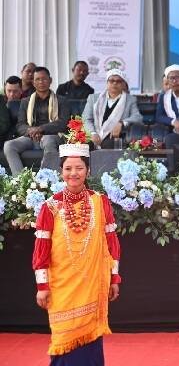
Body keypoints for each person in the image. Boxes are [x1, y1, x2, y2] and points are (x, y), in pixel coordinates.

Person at [32, 129, 121, 363]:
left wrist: (114, 278)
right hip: (62, 287)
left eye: (79, 168)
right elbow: (41, 250)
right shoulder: (50, 207)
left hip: (93, 284)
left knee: (91, 344)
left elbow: (111, 244)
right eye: (68, 168)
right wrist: (42, 286)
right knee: (63, 339)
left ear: (88, 171)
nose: (74, 173)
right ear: (61, 172)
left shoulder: (100, 202)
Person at [3, 67, 70, 175]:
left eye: (44, 79)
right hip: (30, 137)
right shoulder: (25, 101)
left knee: (48, 140)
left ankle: (49, 179)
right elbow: (20, 125)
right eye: (37, 79)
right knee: (9, 145)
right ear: (33, 82)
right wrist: (31, 131)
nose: (41, 82)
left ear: (50, 80)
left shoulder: (61, 100)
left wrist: (40, 129)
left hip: (52, 136)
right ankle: (21, 179)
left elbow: (63, 123)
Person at [82, 69, 143, 149]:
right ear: (107, 83)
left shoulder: (130, 100)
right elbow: (86, 119)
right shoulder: (93, 98)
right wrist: (92, 133)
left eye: (118, 81)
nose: (115, 83)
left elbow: (138, 117)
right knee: (83, 145)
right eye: (111, 81)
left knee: (110, 144)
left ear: (123, 84)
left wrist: (122, 123)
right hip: (94, 134)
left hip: (115, 137)